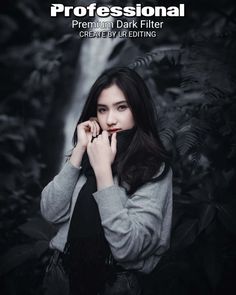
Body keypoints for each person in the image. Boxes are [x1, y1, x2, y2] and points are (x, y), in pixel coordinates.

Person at [41, 67, 173, 295]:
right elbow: (51, 212)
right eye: (102, 110)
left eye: (121, 107)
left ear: (138, 110)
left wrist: (103, 173)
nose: (110, 120)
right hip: (60, 274)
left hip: (115, 282)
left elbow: (128, 248)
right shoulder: (88, 154)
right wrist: (80, 150)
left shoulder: (153, 167)